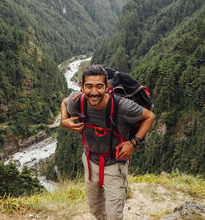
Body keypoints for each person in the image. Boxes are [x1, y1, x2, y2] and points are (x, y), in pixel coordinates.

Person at [60, 64, 155, 220]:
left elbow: (149, 116)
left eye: (99, 86)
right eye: (89, 86)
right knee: (96, 209)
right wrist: (64, 120)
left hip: (115, 165)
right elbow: (64, 102)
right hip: (90, 162)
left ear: (107, 86)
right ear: (82, 86)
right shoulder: (78, 101)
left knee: (114, 216)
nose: (94, 92)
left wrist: (133, 142)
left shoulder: (121, 106)